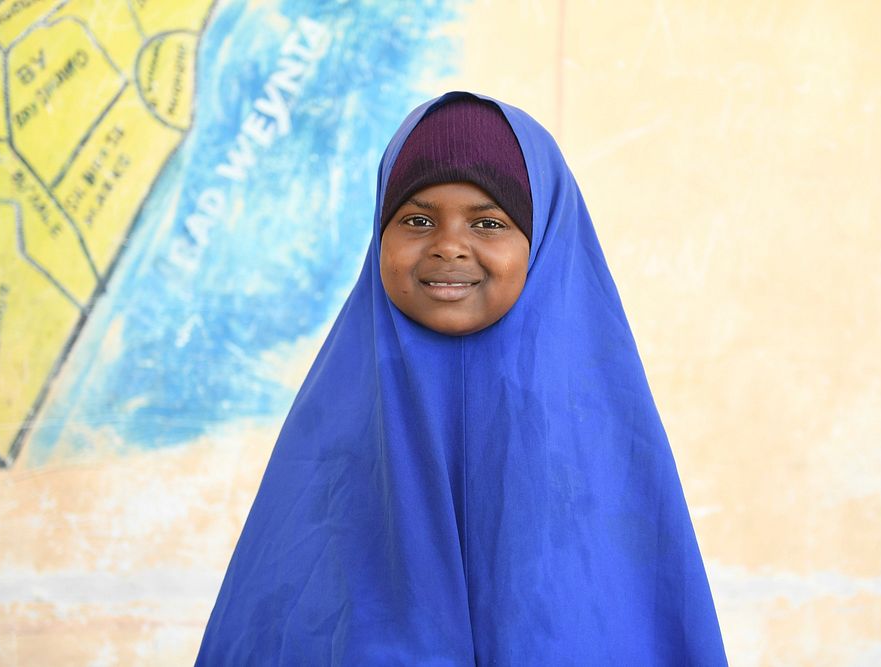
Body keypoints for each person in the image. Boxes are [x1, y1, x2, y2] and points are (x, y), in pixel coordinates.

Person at [196, 92, 727, 665]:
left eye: (488, 222)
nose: (449, 246)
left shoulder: (599, 439)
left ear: (543, 239)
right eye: (417, 220)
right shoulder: (334, 430)